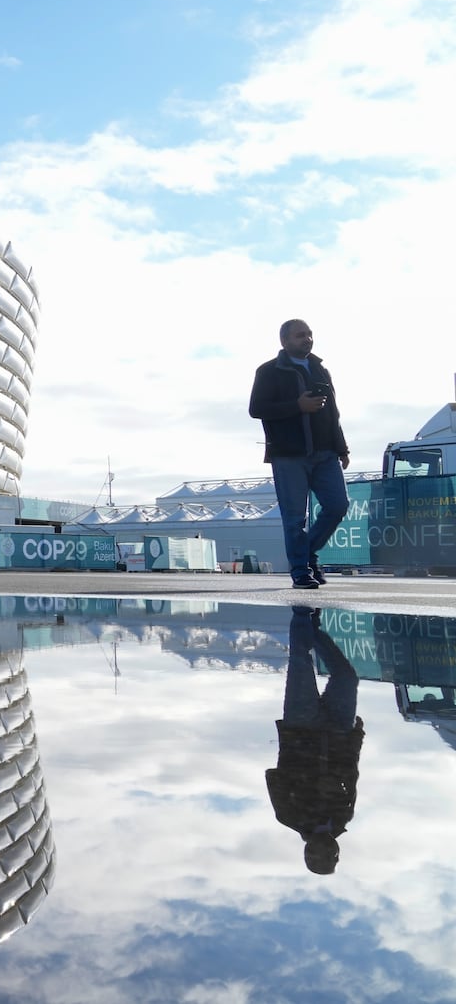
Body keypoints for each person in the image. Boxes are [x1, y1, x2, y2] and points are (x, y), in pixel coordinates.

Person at [248, 319, 350, 588]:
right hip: (289, 455)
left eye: (309, 334)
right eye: (299, 335)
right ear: (284, 341)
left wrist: (342, 448)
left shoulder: (320, 370)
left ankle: (307, 554)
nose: (307, 339)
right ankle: (300, 570)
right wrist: (297, 406)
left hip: (326, 453)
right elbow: (256, 408)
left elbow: (333, 413)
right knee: (295, 517)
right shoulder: (269, 371)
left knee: (338, 505)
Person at [266, 606, 364, 875]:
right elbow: (352, 772)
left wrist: (309, 780)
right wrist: (357, 737)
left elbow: (274, 776)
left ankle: (301, 613)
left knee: (300, 661)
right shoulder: (343, 818)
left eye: (319, 854)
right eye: (332, 855)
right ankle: (313, 629)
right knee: (346, 676)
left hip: (301, 726)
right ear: (337, 853)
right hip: (339, 731)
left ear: (308, 851)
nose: (329, 850)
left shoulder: (289, 816)